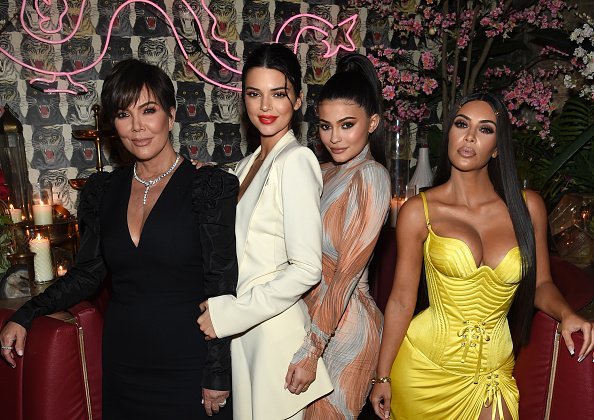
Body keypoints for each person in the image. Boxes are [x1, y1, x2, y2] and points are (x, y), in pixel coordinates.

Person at [0, 59, 238, 419]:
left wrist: (218, 372)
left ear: (171, 116)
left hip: (188, 360)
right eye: (124, 115)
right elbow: (88, 273)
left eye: (149, 110)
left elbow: (221, 285)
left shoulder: (208, 187)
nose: (138, 127)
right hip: (124, 360)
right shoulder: (102, 191)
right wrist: (27, 313)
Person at [370, 92, 594, 420]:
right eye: (462, 124)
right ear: (449, 134)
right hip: (422, 370)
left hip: (492, 375)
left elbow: (542, 284)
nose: (470, 136)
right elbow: (402, 301)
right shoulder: (419, 211)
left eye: (485, 129)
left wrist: (566, 314)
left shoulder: (528, 207)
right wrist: (382, 375)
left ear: (498, 147)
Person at [196, 43, 333, 420]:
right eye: (254, 94)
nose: (266, 107)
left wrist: (231, 314)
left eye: (278, 94)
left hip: (276, 339)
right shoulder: (245, 166)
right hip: (247, 338)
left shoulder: (297, 161)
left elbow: (307, 268)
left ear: (298, 100)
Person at [284, 54, 391, 419]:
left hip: (346, 332)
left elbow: (346, 275)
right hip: (312, 321)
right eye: (325, 126)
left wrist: (312, 351)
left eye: (347, 125)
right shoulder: (323, 170)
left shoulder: (372, 177)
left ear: (372, 122)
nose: (334, 137)